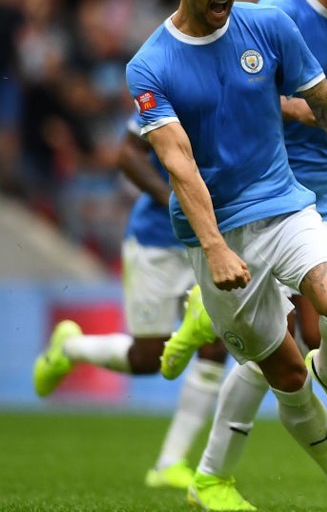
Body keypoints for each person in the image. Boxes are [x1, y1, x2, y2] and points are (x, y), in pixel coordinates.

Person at [123, 0, 327, 512]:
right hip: (215, 237)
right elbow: (180, 166)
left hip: (285, 207)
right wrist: (216, 249)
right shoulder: (150, 66)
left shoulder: (268, 26)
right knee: (282, 372)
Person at [32, 115, 226, 490]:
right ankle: (70, 348)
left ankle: (170, 463)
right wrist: (174, 200)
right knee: (148, 358)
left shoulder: (241, 82)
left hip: (211, 243)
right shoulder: (168, 82)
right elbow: (127, 155)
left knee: (216, 344)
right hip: (156, 243)